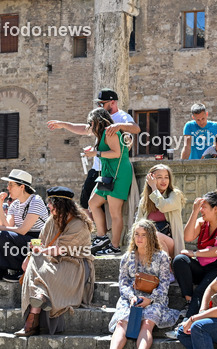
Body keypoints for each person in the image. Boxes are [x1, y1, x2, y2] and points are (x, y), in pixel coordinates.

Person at [14, 187, 95, 337]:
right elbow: (41, 241)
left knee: (37, 261)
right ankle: (39, 300)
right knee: (34, 261)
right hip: (51, 261)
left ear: (62, 205)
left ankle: (32, 321)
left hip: (74, 265)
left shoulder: (79, 224)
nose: (49, 207)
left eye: (51, 203)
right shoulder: (52, 220)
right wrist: (31, 253)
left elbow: (60, 250)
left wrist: (38, 252)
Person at [47, 88, 139, 214]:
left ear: (113, 102)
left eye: (102, 103)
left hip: (112, 169)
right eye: (98, 104)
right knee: (85, 202)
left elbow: (135, 128)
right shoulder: (99, 117)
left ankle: (103, 232)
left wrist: (119, 126)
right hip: (98, 167)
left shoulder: (122, 116)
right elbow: (85, 129)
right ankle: (95, 231)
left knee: (110, 209)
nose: (99, 106)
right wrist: (64, 124)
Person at [104, 220, 181, 349]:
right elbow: (123, 282)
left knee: (147, 323)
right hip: (131, 297)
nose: (139, 238)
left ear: (151, 236)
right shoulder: (127, 257)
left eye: (143, 235)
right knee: (122, 322)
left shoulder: (162, 257)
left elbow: (165, 284)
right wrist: (131, 297)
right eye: (136, 234)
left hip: (155, 298)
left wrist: (150, 299)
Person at [170, 190, 217, 319]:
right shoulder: (202, 222)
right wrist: (194, 212)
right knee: (180, 260)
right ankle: (189, 300)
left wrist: (195, 253)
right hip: (202, 267)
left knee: (201, 291)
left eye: (204, 207)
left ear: (215, 209)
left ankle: (186, 322)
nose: (201, 210)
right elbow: (188, 237)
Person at [85, 108, 133, 255]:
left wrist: (96, 153)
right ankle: (102, 237)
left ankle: (114, 246)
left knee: (115, 213)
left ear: (96, 121)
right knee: (93, 202)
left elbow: (117, 153)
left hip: (118, 175)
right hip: (108, 174)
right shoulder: (103, 134)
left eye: (91, 123)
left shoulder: (109, 132)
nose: (90, 127)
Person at [0, 169, 48, 282]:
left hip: (38, 240)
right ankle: (1, 271)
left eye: (11, 184)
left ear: (22, 187)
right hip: (21, 236)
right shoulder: (15, 204)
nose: (8, 188)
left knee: (1, 234)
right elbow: (5, 225)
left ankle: (20, 271)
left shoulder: (36, 200)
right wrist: (0, 204)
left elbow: (23, 230)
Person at [136, 164, 186, 258]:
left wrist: (154, 187)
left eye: (166, 177)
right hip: (149, 241)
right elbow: (138, 223)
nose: (164, 181)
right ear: (151, 179)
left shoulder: (175, 194)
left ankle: (167, 269)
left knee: (156, 235)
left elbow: (163, 206)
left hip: (170, 241)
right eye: (159, 177)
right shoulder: (145, 199)